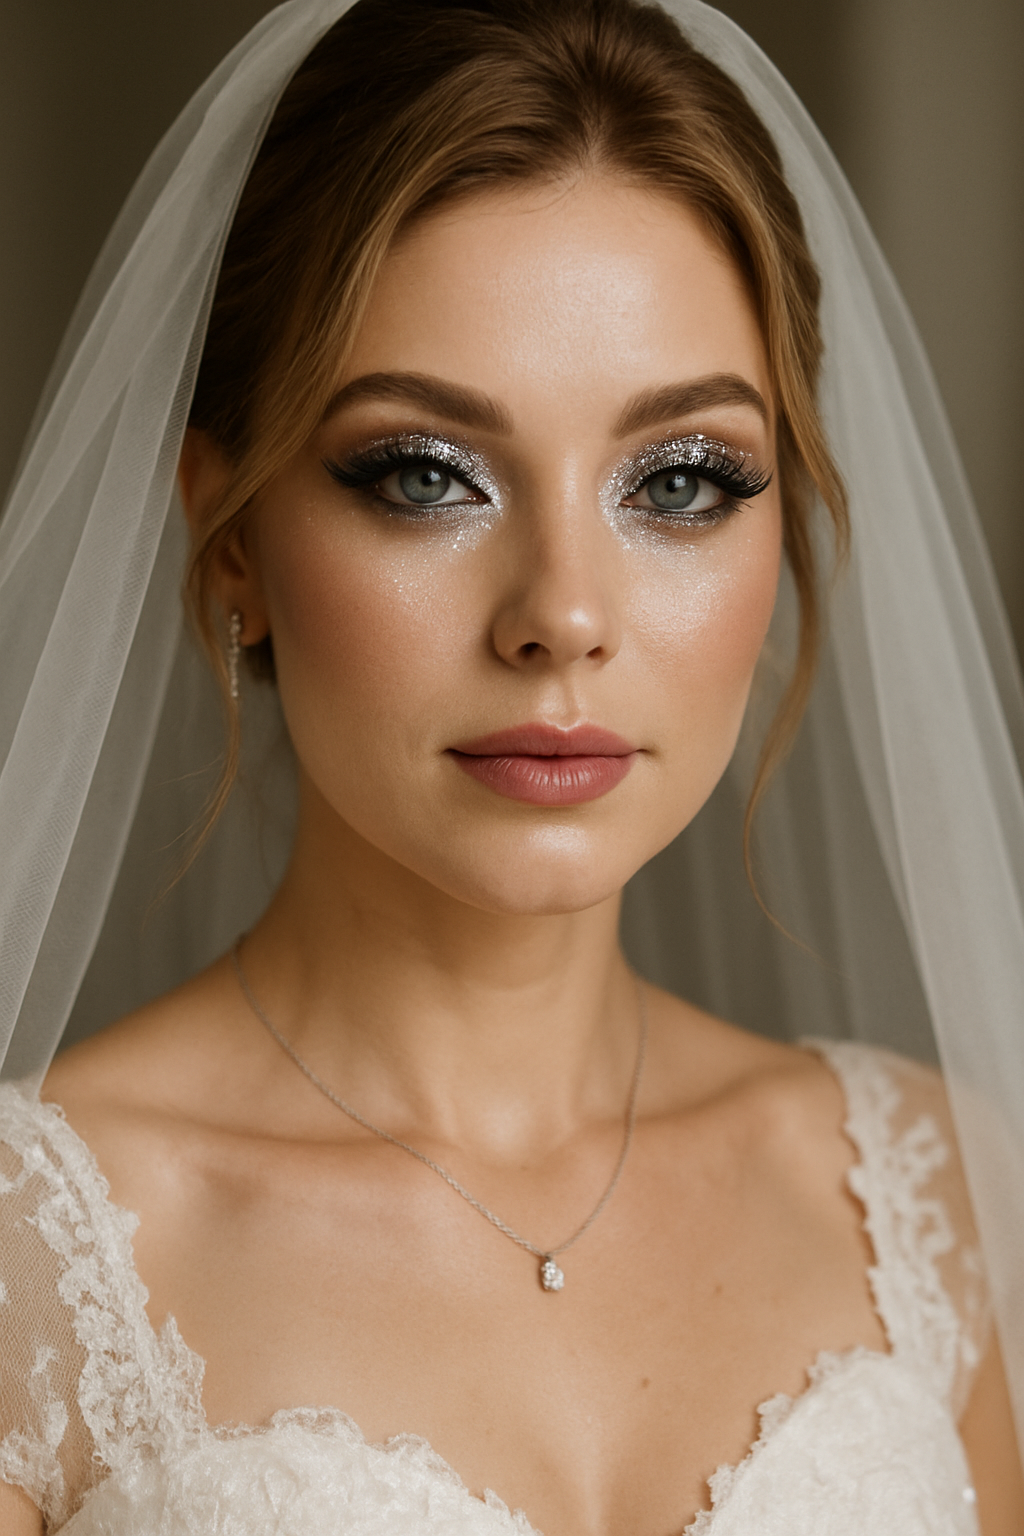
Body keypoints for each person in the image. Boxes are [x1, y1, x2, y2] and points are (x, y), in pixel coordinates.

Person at [1, 1, 1022, 1532]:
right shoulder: (33, 1268)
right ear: (232, 545)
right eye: (424, 474)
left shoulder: (949, 1197)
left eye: (681, 480)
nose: (563, 616)